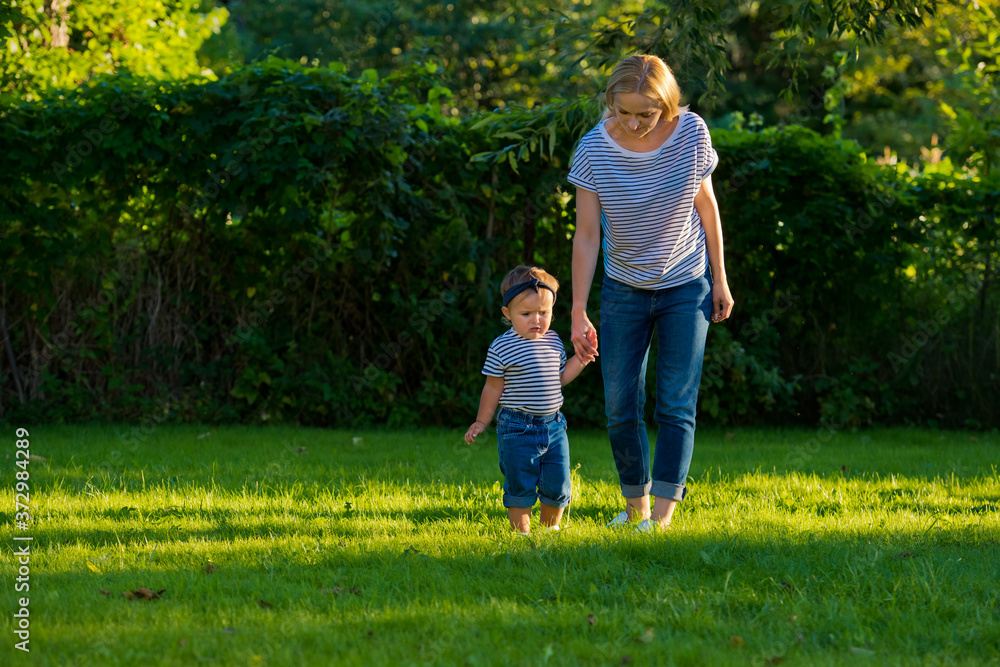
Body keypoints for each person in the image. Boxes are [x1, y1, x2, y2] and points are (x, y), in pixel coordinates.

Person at [567, 54, 735, 531]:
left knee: (676, 403)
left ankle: (660, 517)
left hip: (687, 283)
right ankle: (635, 506)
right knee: (620, 405)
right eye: (625, 113)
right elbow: (586, 235)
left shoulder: (692, 134)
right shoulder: (593, 150)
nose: (636, 123)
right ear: (610, 104)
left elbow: (707, 208)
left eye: (648, 113)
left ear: (668, 104)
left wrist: (720, 278)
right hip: (624, 289)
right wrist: (578, 310)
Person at [465, 265, 591, 535]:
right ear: (508, 314)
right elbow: (492, 388)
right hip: (517, 427)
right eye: (527, 314)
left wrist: (580, 359)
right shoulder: (501, 347)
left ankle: (549, 531)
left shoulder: (554, 341)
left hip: (554, 426)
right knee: (520, 483)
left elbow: (560, 378)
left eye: (544, 313)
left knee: (558, 483)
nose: (537, 319)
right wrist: (480, 421)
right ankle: (521, 534)